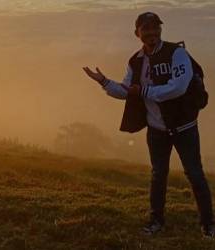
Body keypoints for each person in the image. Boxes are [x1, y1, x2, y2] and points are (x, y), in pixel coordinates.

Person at [83, 11, 215, 237]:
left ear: (160, 30)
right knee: (158, 175)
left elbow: (179, 87)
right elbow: (127, 91)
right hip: (157, 130)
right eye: (146, 29)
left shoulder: (177, 53)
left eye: (155, 27)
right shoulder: (135, 61)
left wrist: (144, 90)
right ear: (137, 33)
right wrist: (104, 82)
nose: (152, 32)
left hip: (184, 127)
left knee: (194, 174)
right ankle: (156, 221)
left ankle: (208, 224)